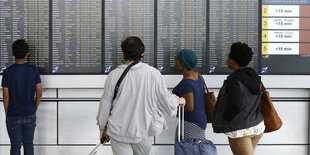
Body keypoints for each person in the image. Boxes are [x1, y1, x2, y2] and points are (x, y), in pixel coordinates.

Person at [96, 36, 186, 155]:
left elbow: (105, 103)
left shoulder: (114, 75)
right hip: (144, 129)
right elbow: (165, 99)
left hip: (118, 130)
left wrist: (103, 128)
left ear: (123, 53)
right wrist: (178, 100)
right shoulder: (153, 74)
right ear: (142, 54)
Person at [212, 42, 265, 155]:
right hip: (257, 126)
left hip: (241, 130)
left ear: (234, 60)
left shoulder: (234, 81)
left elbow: (235, 105)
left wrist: (225, 118)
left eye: (229, 56)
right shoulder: (254, 77)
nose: (227, 59)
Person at [2, 39, 42, 155]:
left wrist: (7, 113)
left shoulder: (7, 72)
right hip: (29, 112)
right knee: (29, 145)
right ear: (27, 53)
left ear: (13, 54)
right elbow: (39, 92)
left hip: (13, 114)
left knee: (15, 146)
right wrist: (34, 108)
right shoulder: (33, 70)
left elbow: (5, 96)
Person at [172, 49, 207, 139]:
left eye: (177, 60)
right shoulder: (198, 76)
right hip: (200, 121)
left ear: (182, 65)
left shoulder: (187, 83)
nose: (175, 61)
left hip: (190, 123)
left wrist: (172, 106)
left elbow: (189, 107)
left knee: (186, 149)